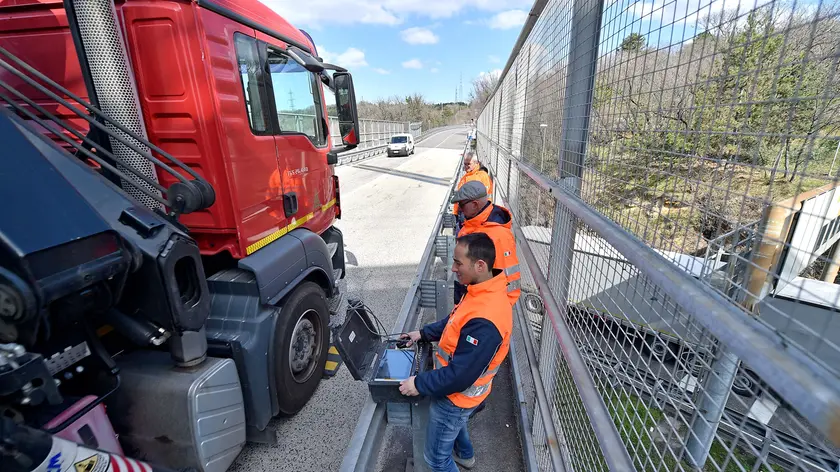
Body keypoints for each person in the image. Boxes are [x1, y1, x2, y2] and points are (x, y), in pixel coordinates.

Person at [398, 233, 513, 472]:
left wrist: (419, 383)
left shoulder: (486, 320)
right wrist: (423, 333)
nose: (453, 269)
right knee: (456, 425)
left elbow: (460, 376)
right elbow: (454, 322)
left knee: (436, 460)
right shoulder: (481, 290)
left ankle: (461, 458)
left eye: (458, 263)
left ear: (480, 265)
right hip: (462, 397)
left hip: (457, 398)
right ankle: (466, 456)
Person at [451, 181, 521, 308]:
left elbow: (510, 279)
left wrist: (498, 312)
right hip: (468, 301)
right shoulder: (469, 226)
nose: (459, 208)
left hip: (483, 307)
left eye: (462, 204)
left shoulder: (499, 235)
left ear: (475, 204)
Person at [452, 152, 492, 216]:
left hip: (476, 213)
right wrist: (455, 213)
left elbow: (483, 197)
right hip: (466, 212)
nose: (466, 166)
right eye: (465, 164)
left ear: (476, 163)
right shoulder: (465, 177)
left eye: (469, 164)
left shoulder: (482, 175)